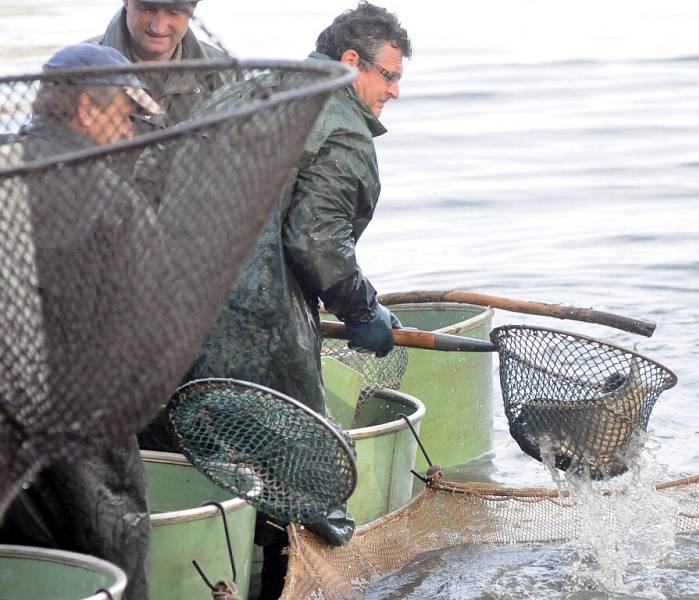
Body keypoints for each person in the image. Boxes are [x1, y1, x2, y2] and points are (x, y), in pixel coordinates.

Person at [186, 2, 412, 597]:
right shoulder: (340, 124)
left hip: (172, 315)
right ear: (349, 61)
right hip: (255, 325)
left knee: (205, 460)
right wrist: (363, 311)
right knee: (309, 482)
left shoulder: (245, 91)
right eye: (387, 76)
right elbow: (318, 242)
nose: (393, 92)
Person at [0, 43, 164, 600]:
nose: (129, 133)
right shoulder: (115, 202)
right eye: (123, 116)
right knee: (109, 564)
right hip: (85, 445)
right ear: (88, 109)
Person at [92, 0, 231, 127]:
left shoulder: (226, 74)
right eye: (148, 9)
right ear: (126, 1)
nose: (158, 27)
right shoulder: (79, 71)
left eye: (172, 12)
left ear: (193, 9)